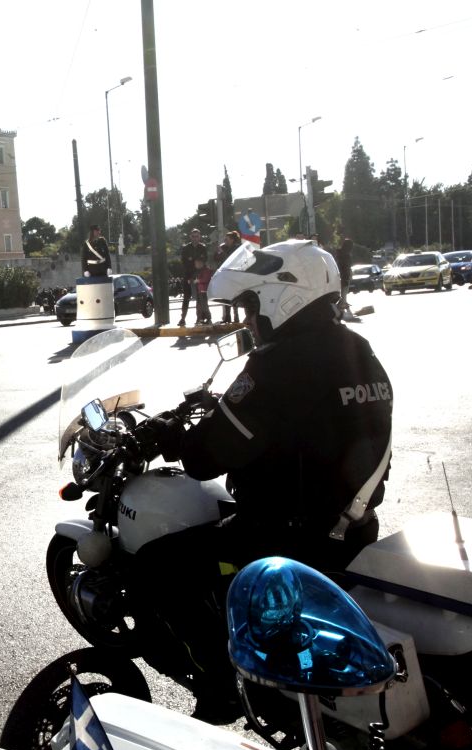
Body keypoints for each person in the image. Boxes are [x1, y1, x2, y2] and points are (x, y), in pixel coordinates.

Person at [135, 239, 392, 722]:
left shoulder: (280, 365)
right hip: (351, 525)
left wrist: (173, 436)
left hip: (285, 534)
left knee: (158, 565)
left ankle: (221, 683)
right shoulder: (356, 348)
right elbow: (305, 423)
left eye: (252, 306)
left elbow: (206, 458)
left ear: (283, 298)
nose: (249, 320)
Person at [177, 229, 208, 327]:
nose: (195, 238)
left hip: (199, 277)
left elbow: (204, 261)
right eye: (193, 236)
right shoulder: (186, 248)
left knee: (200, 298)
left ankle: (199, 318)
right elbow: (184, 263)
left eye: (197, 236)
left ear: (200, 237)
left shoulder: (203, 247)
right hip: (188, 276)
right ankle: (183, 318)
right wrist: (190, 276)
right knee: (186, 297)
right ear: (190, 237)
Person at [213, 231, 241, 323]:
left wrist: (223, 253)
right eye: (225, 239)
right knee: (225, 296)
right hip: (224, 274)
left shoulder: (237, 247)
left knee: (234, 296)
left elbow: (231, 259)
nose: (225, 241)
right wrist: (218, 252)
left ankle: (236, 316)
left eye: (227, 239)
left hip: (234, 274)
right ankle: (227, 317)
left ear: (232, 240)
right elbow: (215, 259)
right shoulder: (223, 247)